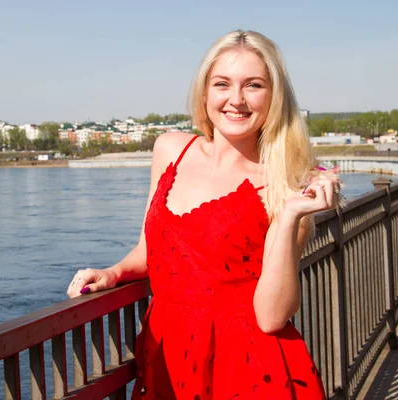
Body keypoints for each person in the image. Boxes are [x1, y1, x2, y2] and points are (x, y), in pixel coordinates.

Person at [67, 29, 340, 399]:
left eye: (254, 85)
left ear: (274, 96)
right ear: (205, 91)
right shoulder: (170, 150)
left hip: (248, 370)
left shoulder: (285, 181)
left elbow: (272, 316)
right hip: (168, 355)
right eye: (222, 84)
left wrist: (291, 215)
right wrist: (113, 272)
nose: (236, 100)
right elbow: (152, 250)